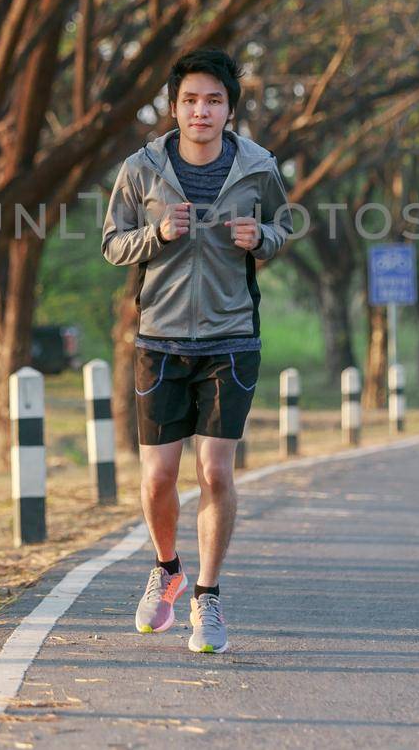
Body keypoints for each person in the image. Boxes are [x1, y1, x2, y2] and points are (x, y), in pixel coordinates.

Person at [100, 49, 293, 654]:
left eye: (213, 100)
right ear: (174, 106)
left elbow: (283, 228)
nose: (201, 111)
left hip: (232, 339)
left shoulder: (259, 167)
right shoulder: (141, 169)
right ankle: (168, 568)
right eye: (190, 100)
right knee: (158, 478)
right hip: (159, 339)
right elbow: (110, 244)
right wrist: (156, 234)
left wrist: (261, 237)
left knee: (215, 470)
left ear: (230, 108)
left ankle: (208, 599)